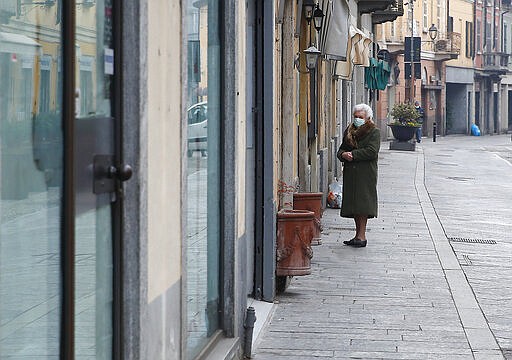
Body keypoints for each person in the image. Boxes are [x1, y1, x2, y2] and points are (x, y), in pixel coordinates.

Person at [336, 104, 380, 248]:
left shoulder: (374, 132)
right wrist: (343, 154)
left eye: (360, 117)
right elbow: (341, 148)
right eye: (355, 116)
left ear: (367, 118)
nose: (357, 119)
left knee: (363, 204)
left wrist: (353, 155)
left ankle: (362, 236)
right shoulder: (349, 130)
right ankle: (357, 235)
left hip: (365, 173)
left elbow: (372, 151)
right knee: (354, 205)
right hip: (351, 173)